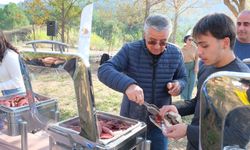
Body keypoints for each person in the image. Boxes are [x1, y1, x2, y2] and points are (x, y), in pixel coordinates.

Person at [159, 13, 250, 150]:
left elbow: (238, 136)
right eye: (198, 45)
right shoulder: (206, 67)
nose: (199, 52)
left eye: (205, 46)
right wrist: (175, 108)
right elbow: (198, 102)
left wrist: (188, 131)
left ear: (225, 42)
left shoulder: (240, 79)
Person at [98, 14, 187, 150]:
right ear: (144, 35)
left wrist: (178, 85)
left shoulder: (175, 53)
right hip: (131, 123)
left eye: (163, 42)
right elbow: (104, 70)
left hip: (160, 122)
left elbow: (183, 78)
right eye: (152, 41)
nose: (157, 46)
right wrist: (128, 85)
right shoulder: (130, 50)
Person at [0, 30, 25, 96]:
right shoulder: (1, 55)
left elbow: (17, 82)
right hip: (7, 95)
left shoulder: (10, 56)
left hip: (18, 96)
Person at [180, 35, 198, 100]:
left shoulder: (195, 48)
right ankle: (184, 99)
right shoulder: (181, 49)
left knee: (192, 82)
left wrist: (196, 66)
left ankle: (189, 98)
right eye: (189, 40)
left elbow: (196, 58)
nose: (191, 41)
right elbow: (180, 60)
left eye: (192, 40)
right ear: (186, 40)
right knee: (185, 83)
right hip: (185, 67)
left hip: (193, 66)